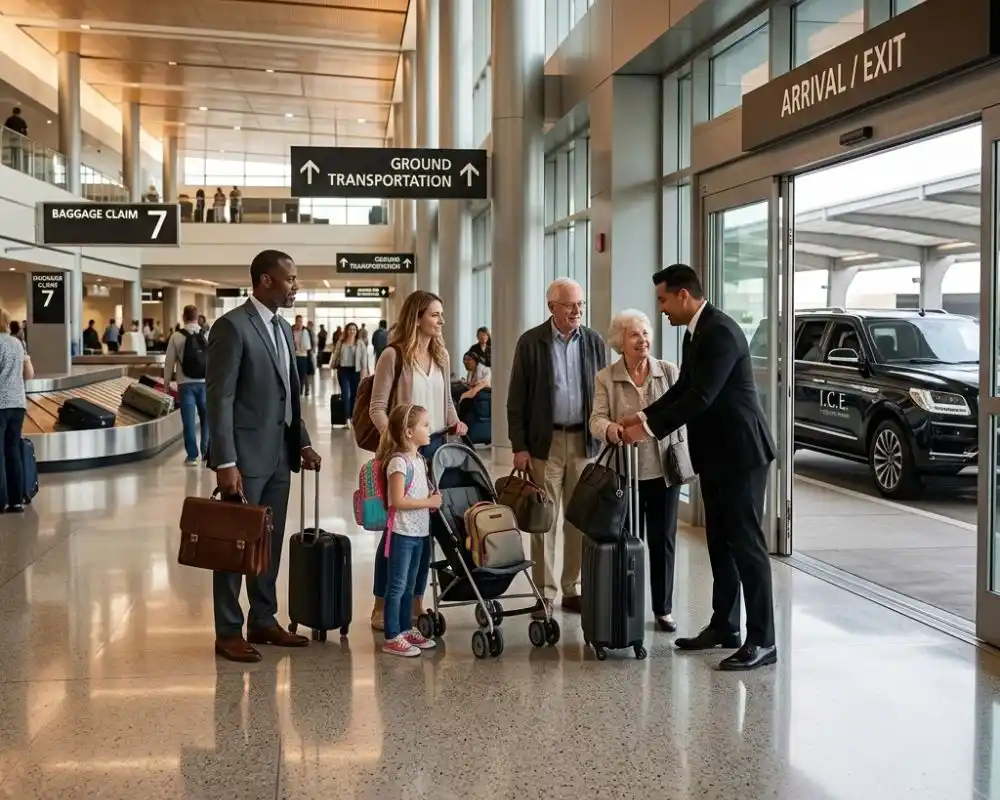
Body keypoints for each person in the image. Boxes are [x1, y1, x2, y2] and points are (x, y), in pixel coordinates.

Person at [618, 264, 777, 671]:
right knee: (720, 542)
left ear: (684, 295)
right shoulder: (697, 332)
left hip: (741, 454)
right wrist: (642, 416)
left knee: (747, 545)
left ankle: (763, 639)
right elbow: (683, 389)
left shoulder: (720, 332)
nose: (662, 310)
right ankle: (725, 626)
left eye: (664, 300)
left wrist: (648, 428)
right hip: (718, 454)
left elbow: (701, 398)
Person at [206, 249, 322, 663]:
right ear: (265, 281)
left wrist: (302, 441)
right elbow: (220, 398)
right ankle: (227, 630)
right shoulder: (231, 327)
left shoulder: (283, 328)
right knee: (235, 545)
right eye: (290, 278)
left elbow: (290, 392)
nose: (296, 285)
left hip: (278, 457)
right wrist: (225, 462)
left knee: (266, 543)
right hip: (243, 458)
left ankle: (263, 619)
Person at [507, 277, 607, 618]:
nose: (577, 311)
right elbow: (516, 399)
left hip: (584, 441)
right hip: (544, 443)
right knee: (543, 519)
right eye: (569, 305)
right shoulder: (531, 342)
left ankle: (571, 587)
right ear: (552, 307)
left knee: (578, 519)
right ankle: (544, 592)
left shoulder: (594, 342)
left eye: (580, 304)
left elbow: (603, 392)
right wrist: (519, 446)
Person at [368, 290, 467, 631]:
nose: (441, 321)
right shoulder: (393, 356)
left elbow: (446, 402)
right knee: (398, 529)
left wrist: (455, 421)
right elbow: (377, 408)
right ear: (417, 318)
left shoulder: (441, 355)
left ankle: (416, 602)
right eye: (435, 315)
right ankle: (382, 603)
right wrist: (398, 441)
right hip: (405, 452)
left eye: (441, 314)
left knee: (426, 530)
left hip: (437, 445)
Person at [590, 309, 694, 633]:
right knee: (626, 541)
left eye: (646, 333)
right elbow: (596, 420)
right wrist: (612, 430)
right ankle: (626, 605)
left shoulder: (668, 371)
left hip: (664, 471)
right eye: (634, 334)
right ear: (619, 341)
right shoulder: (606, 377)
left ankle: (663, 609)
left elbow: (682, 412)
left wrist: (649, 426)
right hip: (625, 474)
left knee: (663, 541)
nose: (643, 339)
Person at [376, 403, 442, 657]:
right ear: (408, 433)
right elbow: (397, 501)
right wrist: (428, 502)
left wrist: (431, 499)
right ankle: (392, 635)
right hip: (403, 534)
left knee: (412, 585)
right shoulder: (398, 462)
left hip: (419, 533)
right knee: (397, 585)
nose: (429, 429)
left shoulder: (420, 460)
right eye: (424, 425)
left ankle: (405, 628)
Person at [165, 304, 209, 466]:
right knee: (207, 418)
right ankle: (206, 451)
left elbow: (169, 362)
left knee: (189, 420)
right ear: (197, 317)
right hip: (205, 383)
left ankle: (192, 456)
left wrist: (167, 383)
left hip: (185, 384)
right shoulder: (206, 334)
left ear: (183, 317)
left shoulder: (176, 336)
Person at [0, 308, 32, 513]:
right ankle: (16, 500)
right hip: (17, 403)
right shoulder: (17, 343)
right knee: (12, 450)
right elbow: (29, 374)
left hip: (0, 404)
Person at [331, 322, 365, 419]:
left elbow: (364, 359)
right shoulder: (340, 342)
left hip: (355, 371)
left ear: (356, 331)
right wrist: (332, 364)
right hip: (343, 371)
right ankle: (346, 418)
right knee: (345, 394)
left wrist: (364, 372)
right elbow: (336, 355)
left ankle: (352, 416)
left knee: (354, 394)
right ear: (346, 331)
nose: (352, 331)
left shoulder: (360, 343)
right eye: (350, 329)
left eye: (354, 329)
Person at [291, 315, 312, 397]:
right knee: (296, 374)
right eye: (298, 321)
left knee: (303, 374)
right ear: (295, 321)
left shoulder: (305, 331)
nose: (300, 323)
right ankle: (299, 390)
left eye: (301, 321)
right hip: (294, 355)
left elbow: (309, 344)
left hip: (303, 355)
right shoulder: (292, 331)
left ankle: (302, 391)